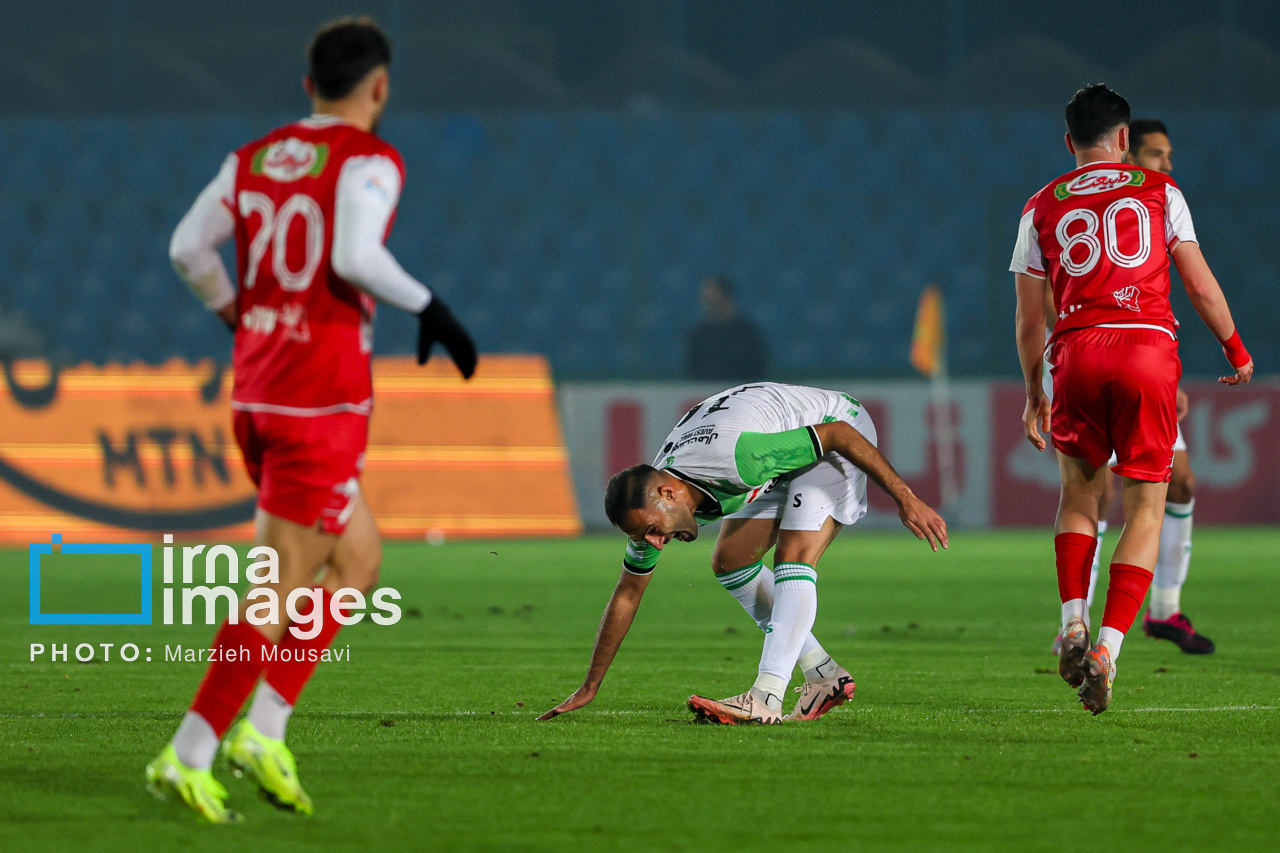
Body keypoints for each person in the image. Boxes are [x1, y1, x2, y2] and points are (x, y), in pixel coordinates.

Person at [146, 17, 477, 822]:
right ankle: (187, 752)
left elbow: (189, 249)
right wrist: (432, 307)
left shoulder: (253, 159)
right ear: (379, 87)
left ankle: (263, 730)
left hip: (258, 393)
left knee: (358, 559)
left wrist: (237, 315)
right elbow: (355, 258)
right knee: (278, 585)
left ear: (307, 87)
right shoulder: (369, 159)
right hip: (318, 402)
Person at [1012, 85, 1252, 715]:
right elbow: (1199, 284)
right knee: (1146, 506)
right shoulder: (1158, 192)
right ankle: (1109, 648)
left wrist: (1035, 389)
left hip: (1077, 351)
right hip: (1147, 350)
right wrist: (1235, 349)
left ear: (1069, 143)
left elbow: (1029, 320)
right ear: (1124, 139)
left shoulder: (1040, 206)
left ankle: (1071, 622)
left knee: (1080, 498)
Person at [538, 382, 947, 726]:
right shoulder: (655, 499)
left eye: (653, 532)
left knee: (793, 557)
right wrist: (590, 685)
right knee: (731, 562)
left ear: (668, 494)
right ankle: (824, 675)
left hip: (837, 430)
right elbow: (628, 592)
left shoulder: (737, 462)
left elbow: (837, 433)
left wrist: (906, 498)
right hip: (779, 449)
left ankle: (766, 696)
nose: (656, 543)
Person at [1048, 118, 1214, 656]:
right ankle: (1079, 620)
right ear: (1126, 150)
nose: (1166, 165)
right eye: (1157, 154)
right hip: (1102, 357)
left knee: (1180, 483)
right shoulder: (1123, 201)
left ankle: (1163, 609)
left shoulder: (1149, 206)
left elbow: (1153, 294)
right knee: (1102, 493)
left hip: (1138, 361)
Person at [685, 275, 768, 381]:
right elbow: (694, 367)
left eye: (711, 293)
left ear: (726, 295)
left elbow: (758, 366)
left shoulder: (746, 333)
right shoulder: (699, 334)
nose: (705, 298)